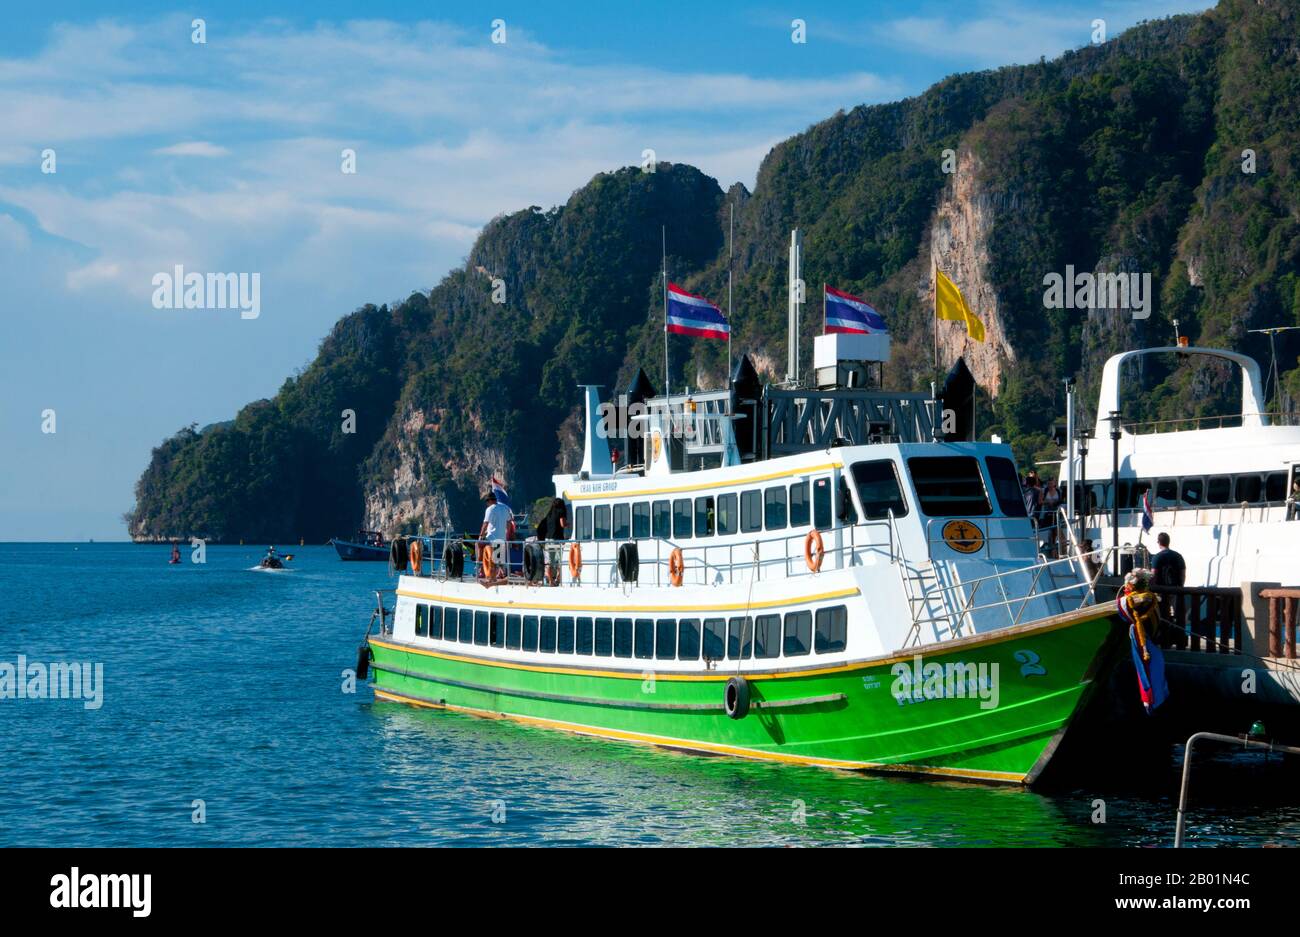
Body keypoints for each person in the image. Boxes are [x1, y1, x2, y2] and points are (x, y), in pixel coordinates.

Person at [478, 491, 512, 580]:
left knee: (478, 545)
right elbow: (509, 522)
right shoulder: (504, 508)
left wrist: (481, 535)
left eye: (486, 502)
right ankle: (501, 573)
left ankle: (481, 569)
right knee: (499, 557)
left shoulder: (490, 509)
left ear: (489, 501)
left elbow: (485, 523)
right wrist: (507, 534)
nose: (486, 504)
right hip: (502, 537)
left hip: (491, 537)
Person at [537, 497, 568, 585]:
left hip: (548, 539)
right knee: (560, 560)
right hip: (557, 539)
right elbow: (562, 524)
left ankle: (550, 581)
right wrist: (567, 524)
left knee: (550, 561)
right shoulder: (561, 511)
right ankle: (558, 579)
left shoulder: (549, 514)